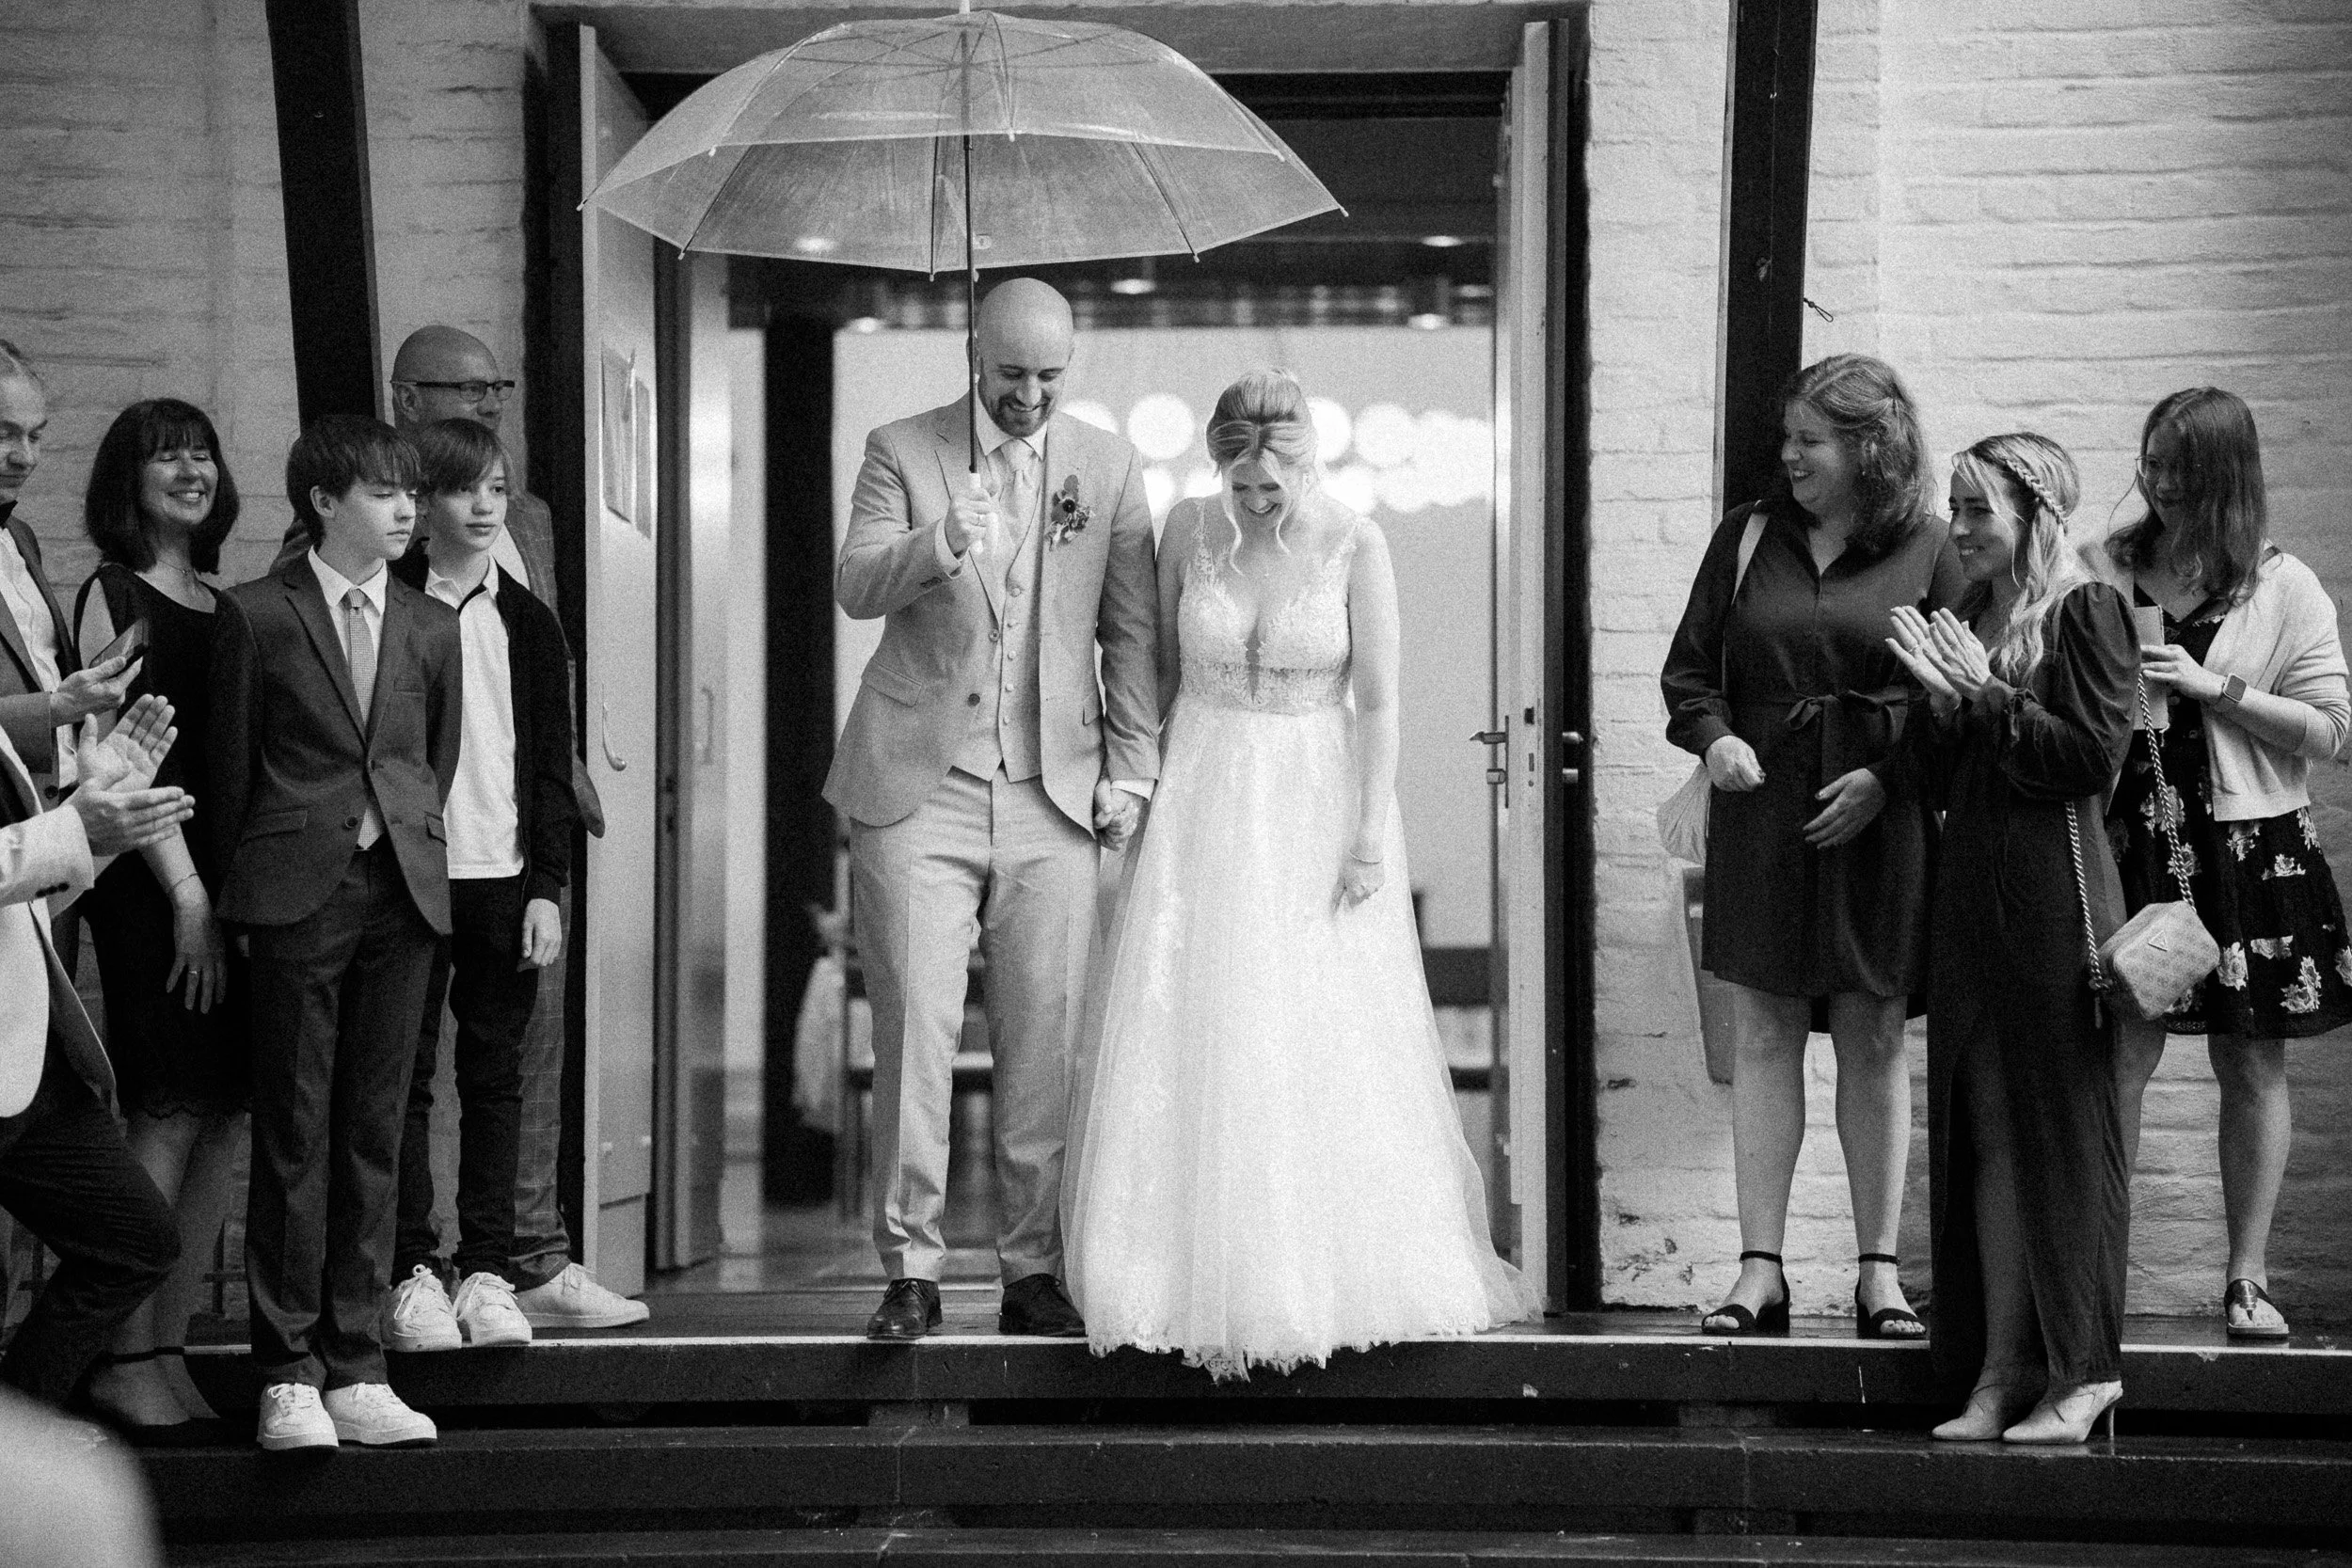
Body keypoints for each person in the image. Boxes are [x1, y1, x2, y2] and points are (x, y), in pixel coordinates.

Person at [1064, 370, 1539, 1379]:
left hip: (1313, 798)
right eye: (1239, 483)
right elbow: (1148, 676)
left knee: (1308, 1022)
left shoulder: (1355, 541)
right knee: (1200, 1014)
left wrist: (1368, 829)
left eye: (1272, 485)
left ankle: (1322, 1266)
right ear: (1220, 466)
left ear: (1305, 463)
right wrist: (1133, 786)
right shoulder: (1187, 531)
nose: (1255, 501)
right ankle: (1175, 1263)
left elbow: (1379, 702)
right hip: (1200, 795)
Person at [271, 325, 633, 1332]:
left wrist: (551, 845)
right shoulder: (359, 543)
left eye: (497, 387)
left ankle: (516, 1257)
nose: (483, 402)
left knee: (511, 1060)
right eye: (459, 388)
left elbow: (539, 680)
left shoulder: (532, 533)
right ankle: (407, 1268)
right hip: (398, 854)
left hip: (514, 840)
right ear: (406, 396)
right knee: (397, 1072)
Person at [825, 277, 1159, 1341]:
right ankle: (910, 1270)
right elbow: (854, 583)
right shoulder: (901, 446)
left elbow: (1132, 635)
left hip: (1053, 792)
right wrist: (940, 542)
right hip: (916, 787)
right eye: (1012, 373)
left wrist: (1133, 768)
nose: (1029, 395)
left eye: (1050, 376)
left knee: (1045, 1042)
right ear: (976, 355)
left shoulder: (1107, 468)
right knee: (916, 1031)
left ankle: (1032, 1269)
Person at [1660, 353, 1960, 1338]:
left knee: (1873, 1034)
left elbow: (1963, 701)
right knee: (1762, 1033)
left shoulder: (1930, 546)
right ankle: (1760, 1271)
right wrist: (1720, 738)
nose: (1787, 455)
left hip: (1881, 809)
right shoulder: (1746, 537)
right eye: (1786, 436)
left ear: (1871, 448)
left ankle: (1878, 1273)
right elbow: (1689, 673)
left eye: (1809, 440)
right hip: (1763, 811)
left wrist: (1890, 781)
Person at [211, 417, 462, 1451]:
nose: (409, 509)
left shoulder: (428, 622)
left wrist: (397, 839)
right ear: (322, 501)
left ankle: (359, 1364)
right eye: (385, 492)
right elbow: (227, 773)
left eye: (413, 494)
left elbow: (430, 763)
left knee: (375, 1127)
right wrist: (230, 905)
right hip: (290, 891)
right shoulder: (255, 614)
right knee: (294, 1129)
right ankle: (287, 1370)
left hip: (400, 889)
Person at [1888, 434, 2137, 1444]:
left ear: (2036, 511)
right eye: (1954, 506)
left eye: (1978, 509)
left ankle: (2084, 1372)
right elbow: (1938, 777)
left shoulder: (2088, 609)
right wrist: (1941, 707)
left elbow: (2086, 758)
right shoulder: (1977, 614)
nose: (1960, 528)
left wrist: (1984, 696)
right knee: (1983, 1136)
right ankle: (1999, 1368)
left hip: (2054, 897)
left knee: (2064, 1140)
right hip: (1973, 895)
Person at [2092, 388, 2352, 1342]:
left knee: (2251, 1057)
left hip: (2249, 848)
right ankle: (2097, 1267)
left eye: (2178, 466)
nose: (2157, 483)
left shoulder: (2284, 586)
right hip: (2138, 834)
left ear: (2225, 473)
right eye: (2148, 462)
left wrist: (2216, 688)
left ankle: (2246, 1277)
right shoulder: (2109, 570)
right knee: (2120, 1050)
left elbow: (2331, 730)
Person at [70, 401, 250, 1429]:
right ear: (124, 481)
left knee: (220, 1115)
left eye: (202, 452)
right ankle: (123, 1356)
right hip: (151, 886)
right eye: (165, 454)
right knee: (169, 1106)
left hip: (217, 891)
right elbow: (111, 758)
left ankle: (166, 1346)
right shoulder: (113, 590)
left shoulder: (219, 600)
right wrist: (185, 894)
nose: (190, 469)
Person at [380, 420, 576, 1353]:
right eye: (466, 490)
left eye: (498, 487)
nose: (487, 505)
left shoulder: (528, 622)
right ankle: (412, 1268)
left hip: (504, 876)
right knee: (404, 1079)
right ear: (423, 506)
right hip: (410, 878)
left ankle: (489, 1272)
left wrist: (547, 883)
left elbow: (548, 764)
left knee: (495, 1082)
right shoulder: (389, 604)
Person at [1, 695, 189, 1415]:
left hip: (26, 1054)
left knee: (136, 1238)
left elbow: (28, 891)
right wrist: (74, 824)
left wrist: (100, 811)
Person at [1, 341, 139, 810]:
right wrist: (55, 709)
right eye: (4, 434)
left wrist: (71, 702)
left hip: (53, 814)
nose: (26, 458)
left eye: (35, 436)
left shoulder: (19, 535)